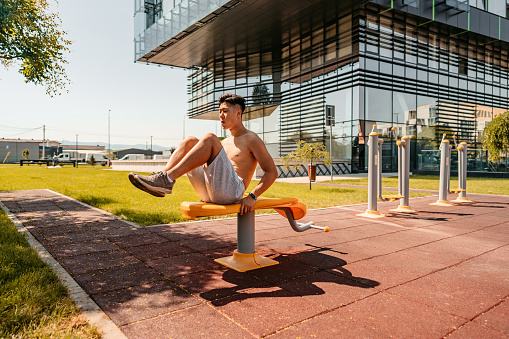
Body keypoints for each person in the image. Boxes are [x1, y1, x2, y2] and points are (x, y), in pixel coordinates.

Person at [128, 93, 278, 215]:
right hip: (209, 191)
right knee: (190, 141)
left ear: (238, 113)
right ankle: (162, 179)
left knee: (210, 138)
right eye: (219, 112)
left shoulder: (251, 139)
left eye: (225, 111)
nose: (221, 115)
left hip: (232, 192)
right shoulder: (225, 142)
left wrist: (252, 196)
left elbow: (272, 172)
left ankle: (166, 179)